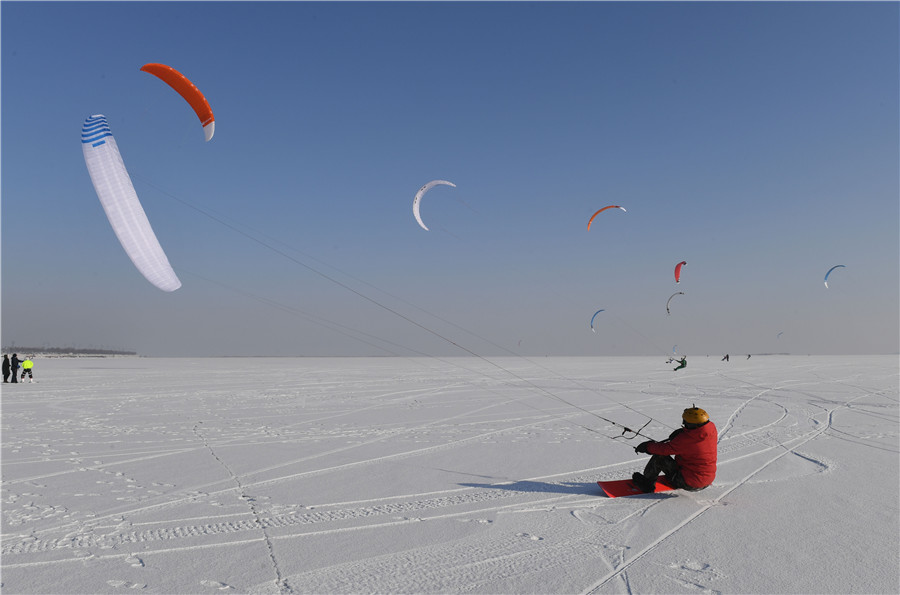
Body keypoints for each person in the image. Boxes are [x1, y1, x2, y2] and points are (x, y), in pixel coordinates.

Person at [631, 406, 717, 493]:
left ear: (691, 424)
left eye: (685, 422)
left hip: (689, 483)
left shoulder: (685, 440)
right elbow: (693, 439)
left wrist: (647, 447)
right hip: (707, 481)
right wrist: (683, 431)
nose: (684, 423)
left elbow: (665, 449)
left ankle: (647, 484)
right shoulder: (711, 430)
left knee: (659, 456)